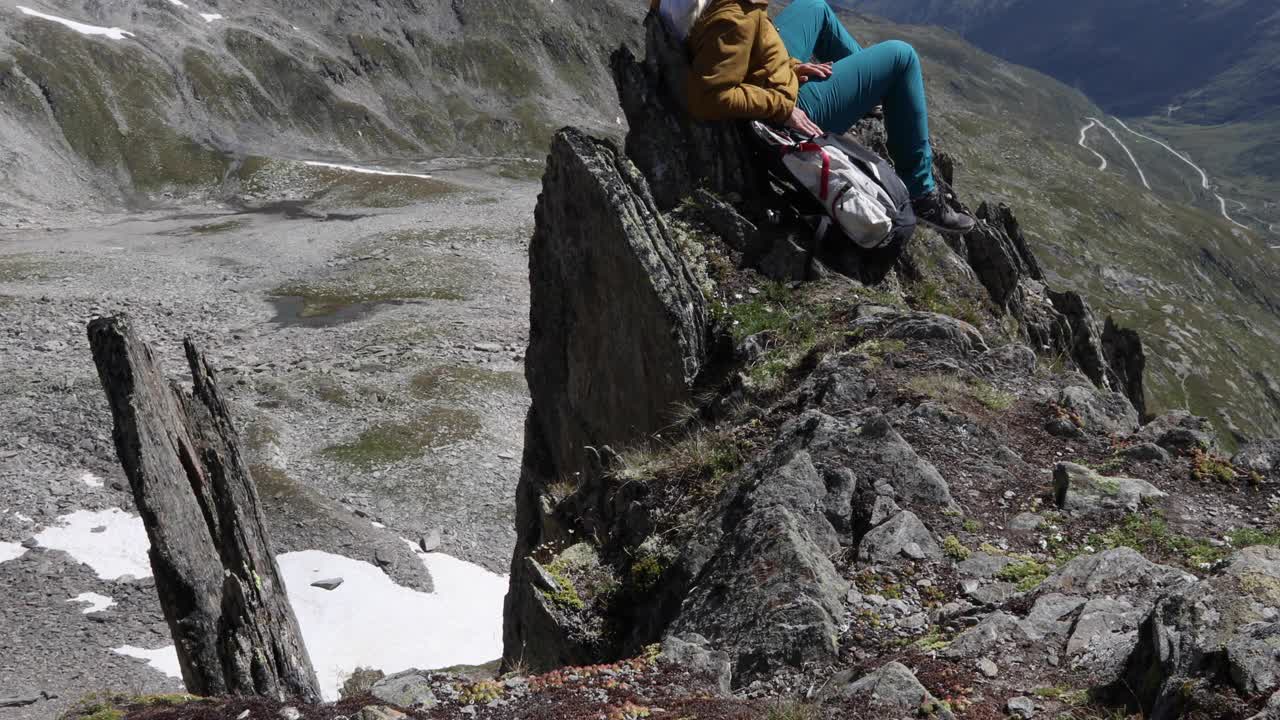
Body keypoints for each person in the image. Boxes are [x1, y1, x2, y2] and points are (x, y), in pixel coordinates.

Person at [655, 0, 975, 234]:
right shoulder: (735, 15)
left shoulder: (726, 11)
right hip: (788, 114)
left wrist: (790, 64)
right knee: (902, 56)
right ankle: (920, 194)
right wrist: (781, 108)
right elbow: (708, 96)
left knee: (814, 7)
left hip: (767, 76)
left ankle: (868, 90)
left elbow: (741, 46)